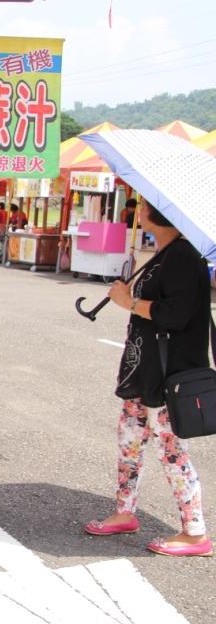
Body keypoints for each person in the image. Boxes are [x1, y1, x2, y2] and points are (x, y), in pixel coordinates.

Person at [85, 200, 211, 557]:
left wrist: (128, 302)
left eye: (143, 204)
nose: (138, 209)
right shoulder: (165, 253)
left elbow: (176, 314)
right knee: (129, 441)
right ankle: (125, 512)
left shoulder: (184, 257)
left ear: (157, 213)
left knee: (171, 451)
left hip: (171, 378)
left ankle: (194, 532)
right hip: (146, 373)